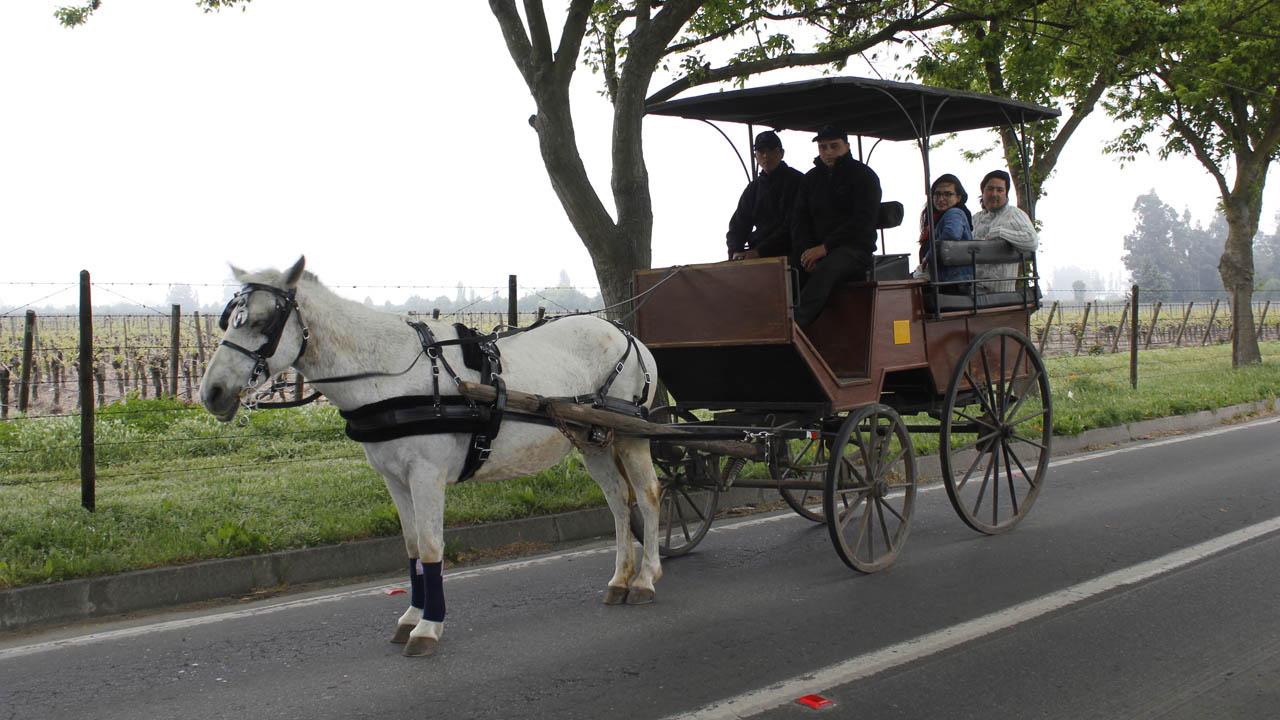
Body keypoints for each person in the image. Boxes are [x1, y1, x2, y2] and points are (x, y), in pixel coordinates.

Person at [790, 125, 882, 327]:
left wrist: (825, 248)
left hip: (855, 249)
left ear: (847, 146)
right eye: (823, 147)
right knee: (787, 268)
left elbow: (862, 221)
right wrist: (806, 252)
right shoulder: (810, 179)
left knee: (828, 268)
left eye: (834, 146)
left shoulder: (864, 176)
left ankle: (795, 326)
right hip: (816, 249)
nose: (828, 152)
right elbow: (799, 220)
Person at [726, 131, 804, 261]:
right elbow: (738, 224)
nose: (766, 155)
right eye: (761, 151)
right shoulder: (753, 188)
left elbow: (793, 225)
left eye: (772, 150)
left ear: (782, 153)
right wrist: (735, 251)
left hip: (791, 252)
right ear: (755, 156)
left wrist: (760, 252)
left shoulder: (797, 181)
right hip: (758, 253)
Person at [972, 169, 1039, 292]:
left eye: (1000, 190)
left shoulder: (1014, 214)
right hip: (973, 286)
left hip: (999, 291)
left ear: (1006, 194)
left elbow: (1032, 241)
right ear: (983, 192)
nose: (994, 194)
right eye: (990, 189)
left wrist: (1001, 233)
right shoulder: (975, 218)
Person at [917, 174, 974, 289]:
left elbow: (951, 236)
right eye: (937, 194)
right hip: (943, 278)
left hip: (952, 281)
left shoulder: (954, 213)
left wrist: (928, 257)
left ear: (958, 197)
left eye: (948, 194)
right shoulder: (936, 217)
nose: (941, 199)